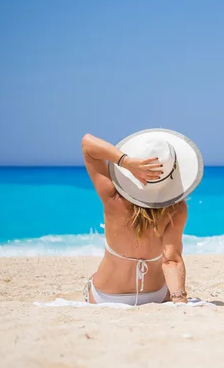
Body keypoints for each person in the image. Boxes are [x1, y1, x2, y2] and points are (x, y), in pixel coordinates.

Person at [81, 128, 204, 306]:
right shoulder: (176, 209)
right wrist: (179, 300)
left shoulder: (113, 198)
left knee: (92, 281)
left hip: (106, 296)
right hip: (155, 295)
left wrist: (126, 161)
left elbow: (87, 143)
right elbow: (171, 260)